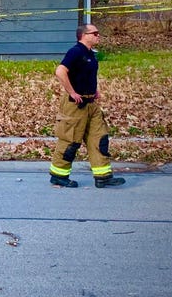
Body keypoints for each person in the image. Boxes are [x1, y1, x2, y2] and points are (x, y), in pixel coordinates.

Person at [49, 24, 125, 189]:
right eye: (95, 33)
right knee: (70, 141)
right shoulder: (75, 52)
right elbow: (60, 71)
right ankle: (59, 176)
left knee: (99, 138)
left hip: (91, 104)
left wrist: (94, 91)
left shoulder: (90, 54)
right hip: (75, 105)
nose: (98, 36)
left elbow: (85, 75)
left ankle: (103, 176)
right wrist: (72, 92)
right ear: (84, 35)